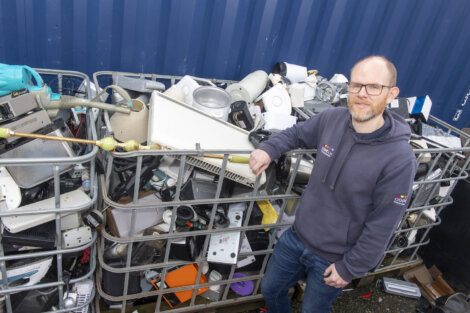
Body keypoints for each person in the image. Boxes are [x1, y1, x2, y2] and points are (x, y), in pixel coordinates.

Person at [249, 56, 417, 313]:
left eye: (373, 87)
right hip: (297, 237)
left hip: (335, 258)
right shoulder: (333, 119)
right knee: (271, 289)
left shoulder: (399, 159)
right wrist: (268, 150)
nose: (362, 94)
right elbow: (297, 133)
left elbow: (382, 224)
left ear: (391, 93)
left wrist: (350, 268)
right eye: (356, 85)